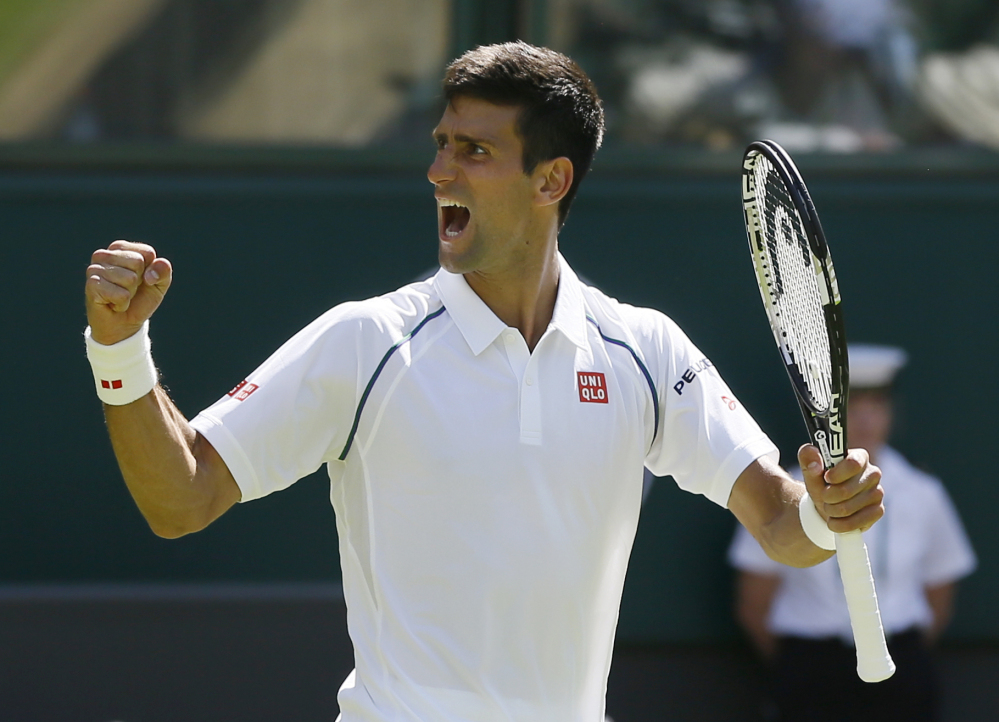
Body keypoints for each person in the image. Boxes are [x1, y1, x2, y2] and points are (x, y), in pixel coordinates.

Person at [83, 42, 884, 722]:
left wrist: (826, 513)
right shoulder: (365, 342)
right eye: (440, 143)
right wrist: (119, 350)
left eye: (473, 151)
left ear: (550, 181)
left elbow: (780, 522)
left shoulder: (646, 350)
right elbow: (180, 499)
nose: (438, 172)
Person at [729, 343, 976, 722]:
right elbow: (754, 601)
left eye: (876, 406)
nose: (864, 421)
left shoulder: (924, 493)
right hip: (810, 672)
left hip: (901, 673)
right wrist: (807, 665)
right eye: (850, 409)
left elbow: (939, 594)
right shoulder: (783, 495)